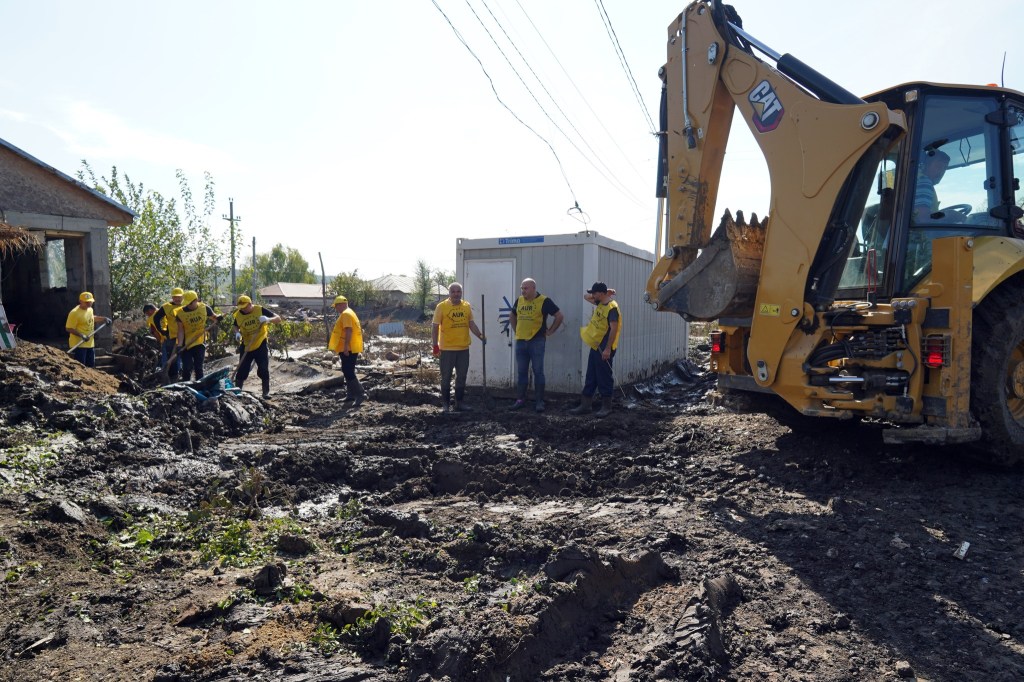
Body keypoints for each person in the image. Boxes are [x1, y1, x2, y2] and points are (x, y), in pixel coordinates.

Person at [508, 278, 563, 412]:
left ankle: (539, 402)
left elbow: (559, 316)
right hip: (521, 341)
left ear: (533, 288)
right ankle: (520, 399)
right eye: (522, 288)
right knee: (521, 372)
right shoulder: (519, 300)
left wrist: (550, 331)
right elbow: (512, 315)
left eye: (525, 288)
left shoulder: (544, 301)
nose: (523, 291)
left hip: (537, 341)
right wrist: (517, 331)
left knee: (538, 371)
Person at [569, 282, 621, 417]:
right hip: (596, 344)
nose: (592, 295)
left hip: (605, 346)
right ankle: (585, 405)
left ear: (601, 294)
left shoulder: (612, 308)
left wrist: (608, 349)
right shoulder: (600, 303)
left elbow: (614, 329)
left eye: (595, 293)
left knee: (604, 376)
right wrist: (606, 292)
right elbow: (586, 297)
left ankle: (606, 406)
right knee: (591, 375)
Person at [431, 282, 485, 413]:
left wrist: (480, 335)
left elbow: (471, 323)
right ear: (449, 293)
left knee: (461, 377)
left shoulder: (466, 306)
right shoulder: (441, 307)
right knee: (446, 377)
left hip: (463, 349)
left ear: (461, 292)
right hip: (447, 349)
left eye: (458, 291)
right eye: (453, 291)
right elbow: (435, 326)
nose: (456, 294)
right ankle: (445, 404)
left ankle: (459, 403)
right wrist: (435, 346)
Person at [232, 294, 281, 398]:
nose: (243, 310)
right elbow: (235, 325)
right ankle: (238, 391)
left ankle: (265, 392)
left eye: (245, 307)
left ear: (250, 304)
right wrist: (237, 333)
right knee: (242, 370)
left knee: (263, 368)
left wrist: (268, 319)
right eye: (241, 308)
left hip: (260, 343)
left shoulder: (260, 310)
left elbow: (278, 319)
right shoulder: (238, 315)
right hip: (246, 345)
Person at [173, 290, 222, 382]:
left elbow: (214, 317)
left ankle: (200, 385)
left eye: (190, 303)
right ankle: (186, 385)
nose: (188, 305)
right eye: (187, 303)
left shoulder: (204, 308)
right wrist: (179, 345)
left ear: (196, 300)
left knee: (198, 367)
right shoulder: (180, 313)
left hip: (199, 340)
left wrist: (218, 317)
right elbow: (180, 330)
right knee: (187, 367)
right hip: (185, 343)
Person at [328, 295, 366, 406]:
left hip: (349, 348)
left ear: (341, 304)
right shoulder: (349, 313)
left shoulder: (346, 314)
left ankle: (360, 394)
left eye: (336, 306)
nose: (336, 308)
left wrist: (345, 347)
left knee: (348, 371)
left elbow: (348, 330)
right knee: (346, 370)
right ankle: (350, 395)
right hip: (350, 347)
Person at [65, 291, 109, 367]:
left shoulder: (90, 309)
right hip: (79, 345)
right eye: (87, 302)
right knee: (80, 367)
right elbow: (69, 328)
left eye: (90, 302)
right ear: (80, 301)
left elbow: (92, 318)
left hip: (90, 344)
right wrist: (81, 335)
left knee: (91, 366)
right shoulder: (74, 313)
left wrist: (104, 319)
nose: (89, 304)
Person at [152, 287, 185, 381]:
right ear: (172, 297)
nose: (178, 299)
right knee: (172, 357)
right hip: (172, 336)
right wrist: (162, 330)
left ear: (183, 297)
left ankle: (183, 375)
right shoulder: (166, 307)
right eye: (175, 297)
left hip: (185, 335)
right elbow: (156, 318)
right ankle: (172, 377)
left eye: (179, 297)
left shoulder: (186, 305)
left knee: (185, 356)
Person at [913, 150, 951, 221]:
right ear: (927, 165)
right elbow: (923, 216)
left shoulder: (918, 180)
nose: (941, 172)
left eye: (945, 168)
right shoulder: (924, 182)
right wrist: (949, 214)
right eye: (938, 166)